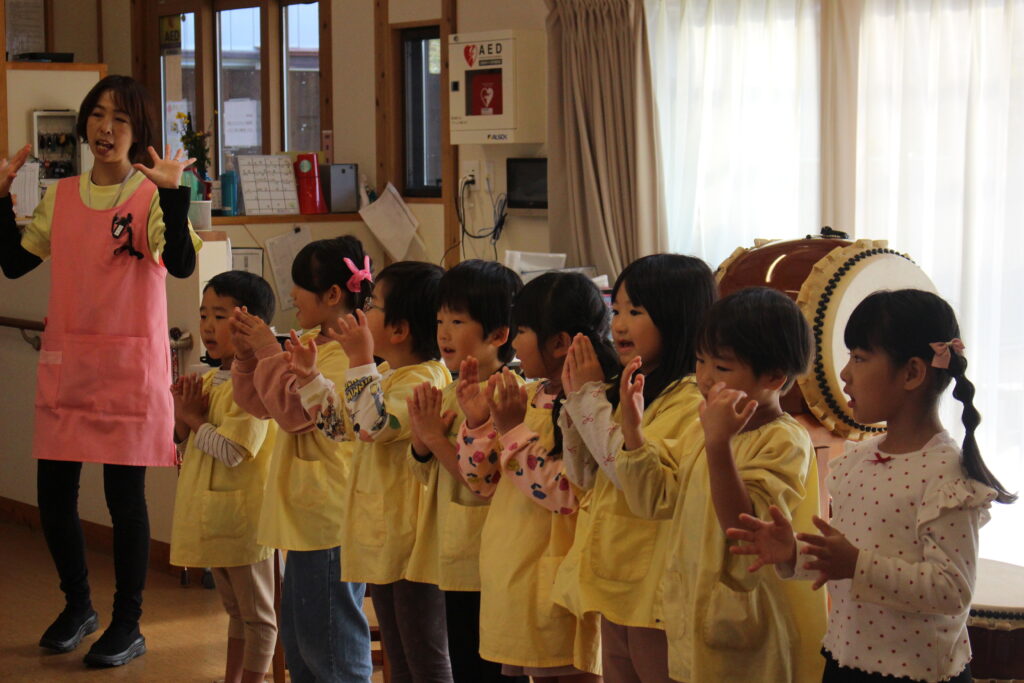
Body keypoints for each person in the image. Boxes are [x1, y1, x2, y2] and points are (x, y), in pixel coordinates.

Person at [0, 75, 201, 667]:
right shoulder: (61, 196)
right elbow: (13, 264)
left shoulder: (150, 195)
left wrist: (174, 194)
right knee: (54, 497)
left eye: (119, 118)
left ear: (138, 132)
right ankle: (78, 605)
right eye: (96, 115)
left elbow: (181, 264)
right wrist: (0, 199)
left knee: (125, 502)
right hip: (69, 367)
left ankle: (128, 622)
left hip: (128, 372)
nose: (105, 128)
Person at [726, 288, 1015, 683]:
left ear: (912, 373)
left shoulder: (946, 474)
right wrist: (794, 552)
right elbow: (846, 559)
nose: (845, 373)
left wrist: (857, 565)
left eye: (860, 358)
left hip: (915, 673)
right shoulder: (858, 460)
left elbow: (952, 589)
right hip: (846, 659)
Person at [620, 286, 827, 682]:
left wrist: (719, 445)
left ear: (774, 376)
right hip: (692, 616)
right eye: (700, 361)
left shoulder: (784, 439)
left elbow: (744, 528)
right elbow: (655, 500)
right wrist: (634, 433)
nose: (704, 378)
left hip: (748, 630)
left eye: (722, 368)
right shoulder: (706, 427)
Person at [553, 254, 715, 682]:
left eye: (636, 312)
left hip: (653, 586)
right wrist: (579, 401)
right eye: (617, 310)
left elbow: (631, 475)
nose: (620, 325)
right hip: (614, 578)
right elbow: (585, 475)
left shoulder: (690, 399)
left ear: (678, 317)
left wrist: (589, 398)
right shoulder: (623, 386)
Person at [289, 261, 453, 682]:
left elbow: (372, 425)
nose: (363, 311)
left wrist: (360, 359)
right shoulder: (384, 373)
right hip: (384, 537)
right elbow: (340, 427)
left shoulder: (427, 379)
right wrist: (311, 378)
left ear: (399, 330)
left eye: (374, 305)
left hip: (415, 543)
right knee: (398, 652)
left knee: (425, 655)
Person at [454, 272, 614, 681]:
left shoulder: (594, 404)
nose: (515, 341)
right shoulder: (526, 396)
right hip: (514, 573)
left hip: (557, 581)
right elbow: (482, 483)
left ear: (559, 342)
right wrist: (478, 423)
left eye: (523, 330)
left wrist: (511, 430)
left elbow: (566, 493)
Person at [230, 237, 374, 682]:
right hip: (303, 513)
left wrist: (269, 352)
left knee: (330, 647)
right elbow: (263, 404)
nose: (291, 295)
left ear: (332, 294)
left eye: (299, 286)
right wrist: (247, 356)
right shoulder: (310, 342)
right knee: (302, 643)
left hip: (328, 515)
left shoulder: (349, 355)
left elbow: (296, 414)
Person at [404, 259, 527, 683]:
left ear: (498, 335)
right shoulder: (450, 390)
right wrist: (422, 442)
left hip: (485, 555)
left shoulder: (508, 395)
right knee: (463, 659)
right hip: (454, 551)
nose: (444, 333)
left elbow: (485, 482)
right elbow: (424, 473)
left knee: (490, 664)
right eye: (440, 320)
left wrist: (435, 439)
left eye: (457, 321)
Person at [170, 271, 278, 683]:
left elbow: (233, 451)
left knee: (258, 616)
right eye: (204, 315)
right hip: (216, 519)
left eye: (220, 316)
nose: (208, 327)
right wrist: (183, 419)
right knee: (236, 612)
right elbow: (189, 447)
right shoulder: (210, 378)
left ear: (250, 323)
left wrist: (195, 420)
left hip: (244, 521)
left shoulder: (254, 384)